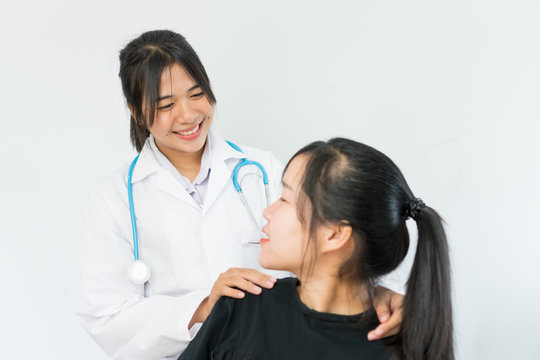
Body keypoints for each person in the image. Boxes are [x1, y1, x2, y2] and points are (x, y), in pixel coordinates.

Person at [77, 30, 404, 360]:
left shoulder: (261, 169)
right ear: (136, 111)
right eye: (166, 105)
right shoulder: (113, 200)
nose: (188, 115)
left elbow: (335, 236)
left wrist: (380, 290)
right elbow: (108, 319)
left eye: (196, 94)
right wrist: (205, 307)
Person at [179, 138, 454, 360]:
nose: (268, 211)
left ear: (334, 235)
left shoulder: (400, 346)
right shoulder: (239, 310)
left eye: (285, 199)